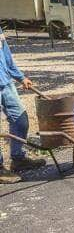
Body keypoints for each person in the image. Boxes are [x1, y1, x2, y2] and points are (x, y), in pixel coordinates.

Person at [0, 26, 45, 184]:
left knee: (20, 119)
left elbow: (5, 55)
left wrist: (20, 77)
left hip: (5, 83)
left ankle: (18, 158)